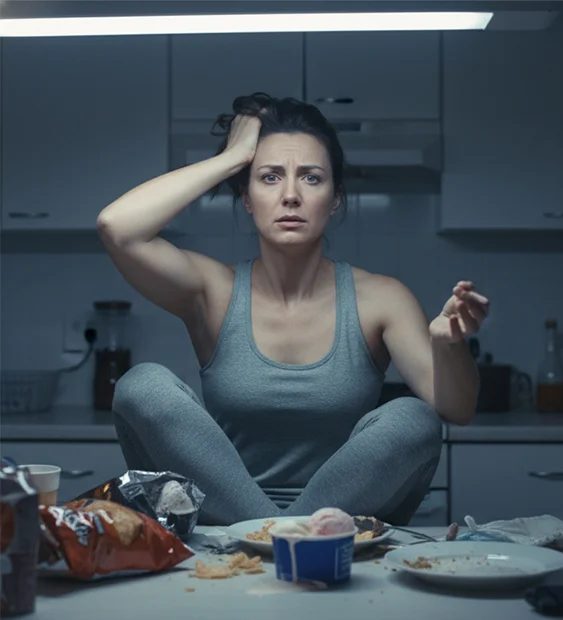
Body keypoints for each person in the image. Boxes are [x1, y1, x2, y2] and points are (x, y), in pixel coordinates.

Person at [97, 93, 490, 526]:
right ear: (246, 198)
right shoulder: (213, 290)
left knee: (415, 417)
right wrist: (233, 158)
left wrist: (448, 345)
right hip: (225, 517)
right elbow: (118, 227)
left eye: (311, 178)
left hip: (335, 523)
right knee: (141, 385)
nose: (290, 195)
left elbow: (457, 409)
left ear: (335, 197)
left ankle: (273, 537)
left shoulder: (381, 298)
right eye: (269, 177)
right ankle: (284, 538)